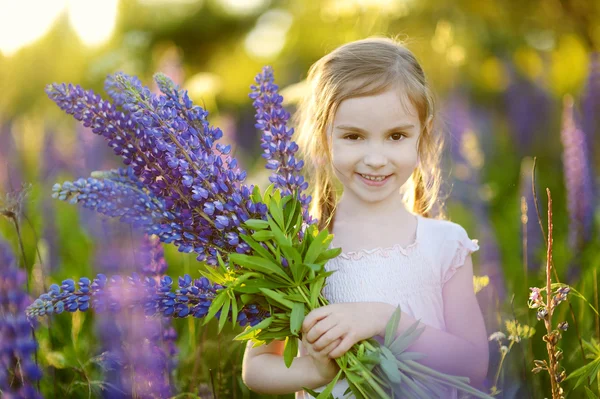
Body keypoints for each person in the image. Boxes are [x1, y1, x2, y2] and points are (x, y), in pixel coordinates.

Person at [241, 36, 489, 399]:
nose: (375, 158)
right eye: (354, 136)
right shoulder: (297, 251)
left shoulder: (444, 245)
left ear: (423, 134)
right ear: (324, 138)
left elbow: (473, 364)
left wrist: (380, 319)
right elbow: (256, 367)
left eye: (396, 136)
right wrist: (311, 369)